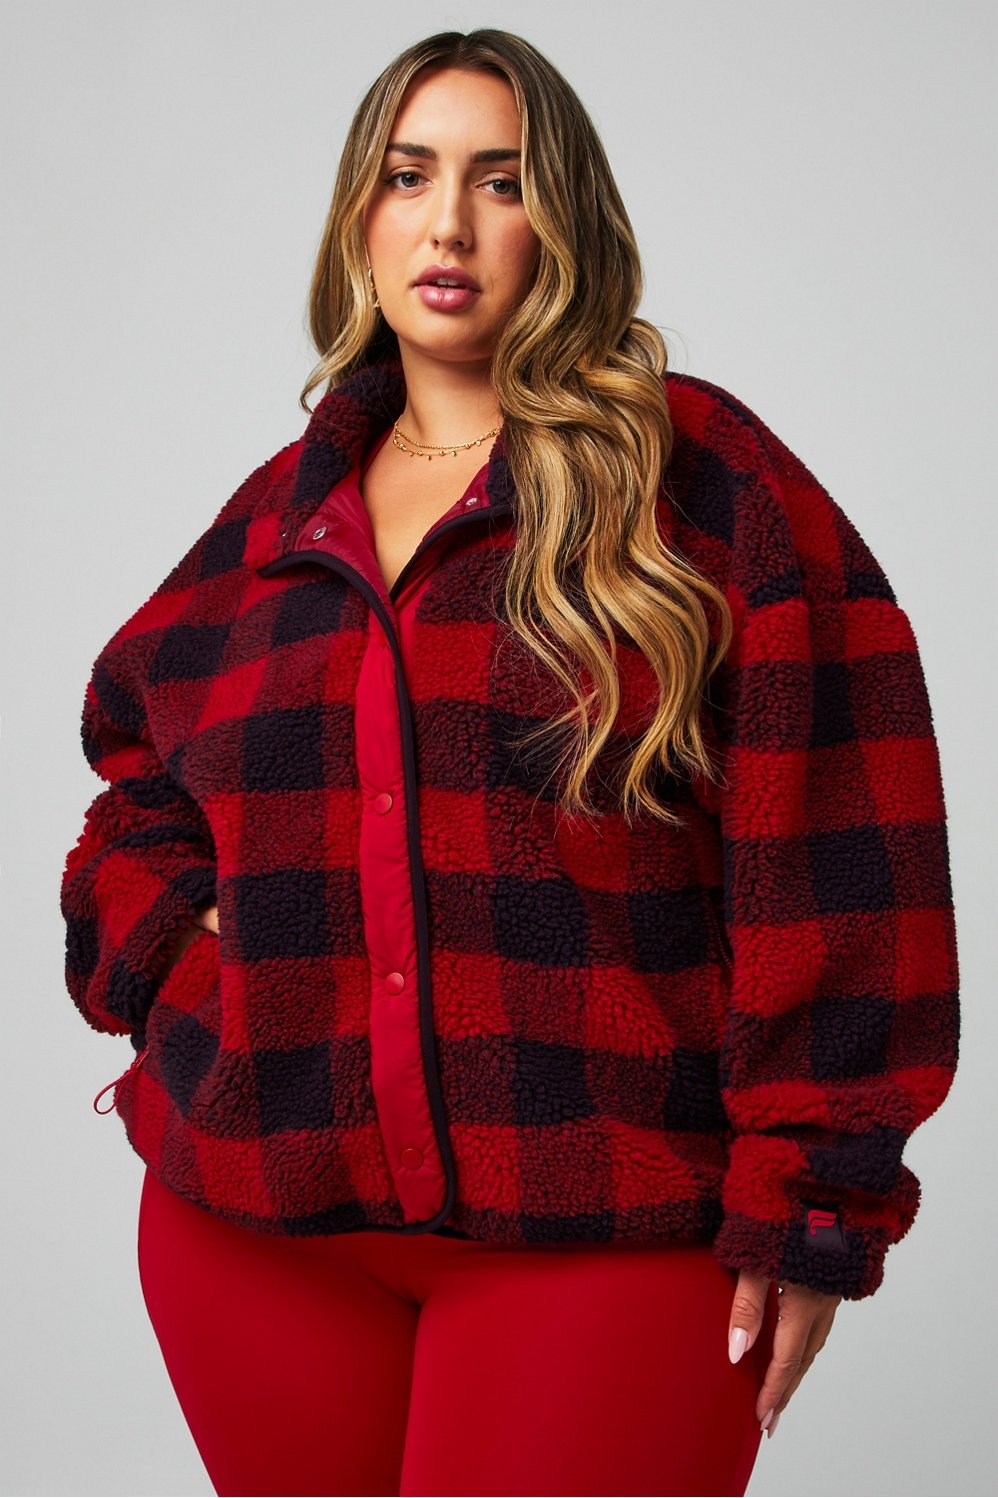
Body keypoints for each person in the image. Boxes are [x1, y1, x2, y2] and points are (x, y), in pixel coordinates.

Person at [61, 27, 960, 1498]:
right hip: (258, 1229)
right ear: (359, 217)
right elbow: (135, 791)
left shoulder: (701, 480)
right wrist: (169, 943)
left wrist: (816, 1201)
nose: (449, 224)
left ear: (566, 220)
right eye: (408, 175)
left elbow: (845, 837)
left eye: (501, 179)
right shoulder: (278, 518)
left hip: (608, 1226)